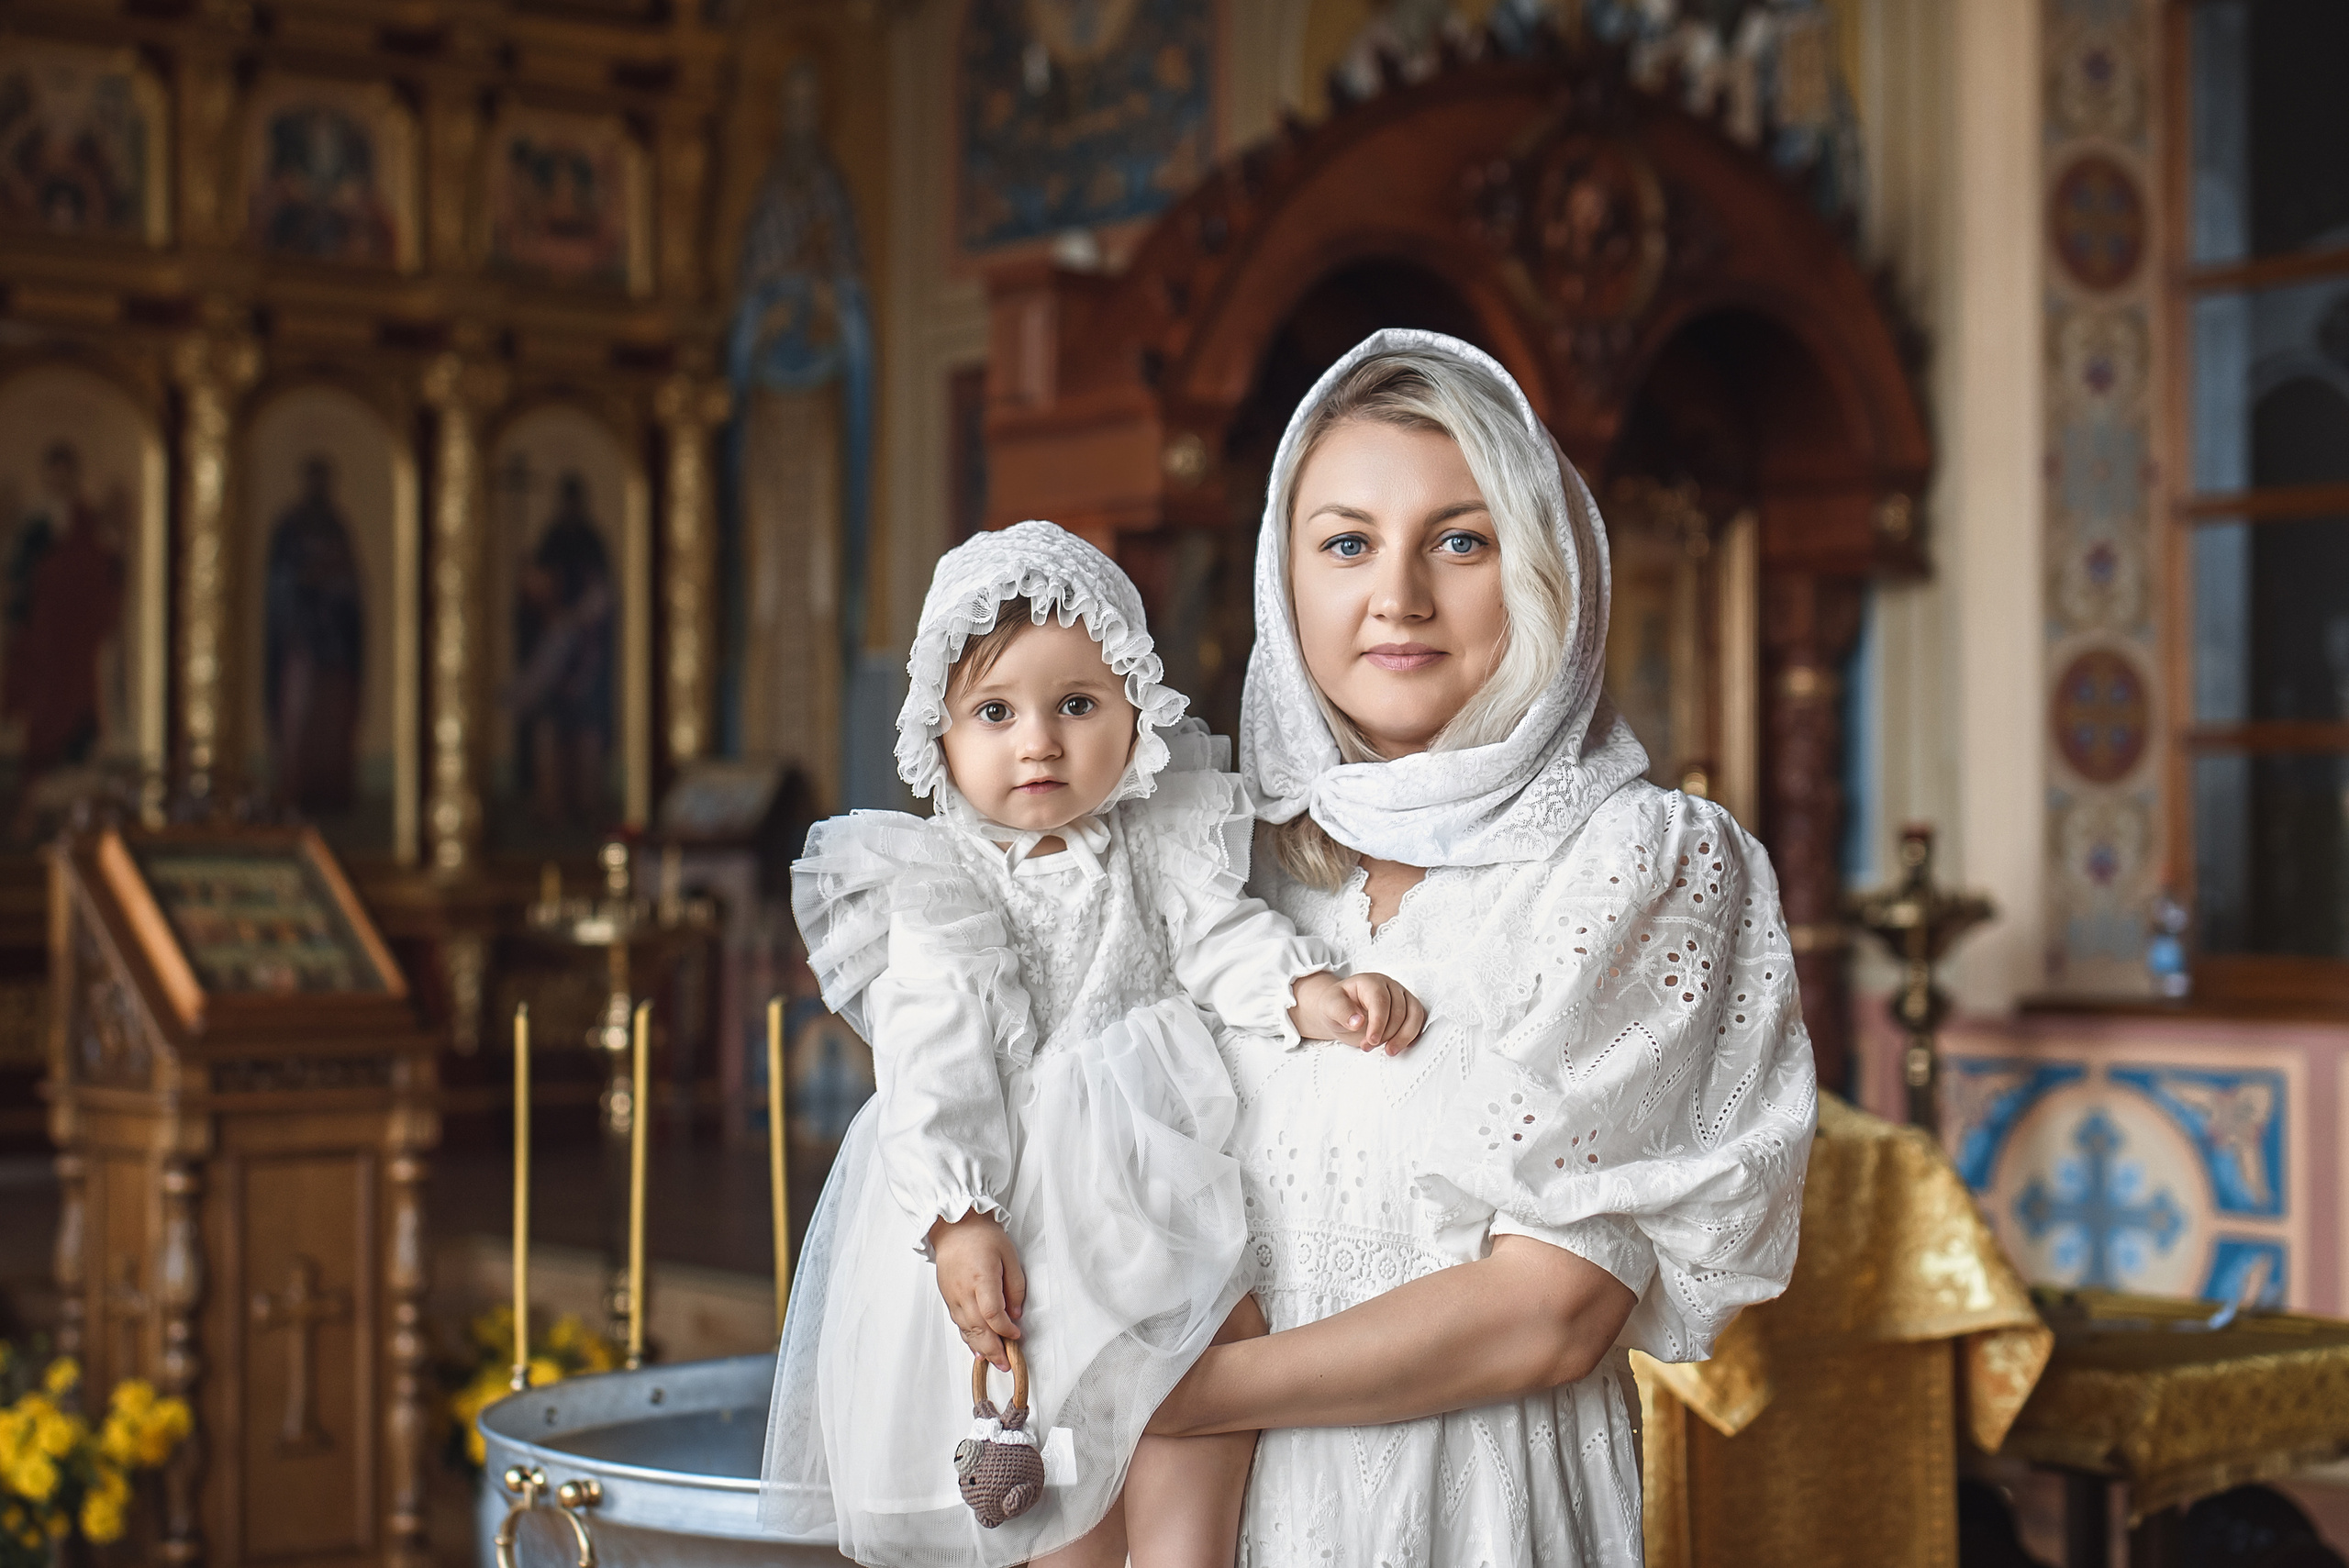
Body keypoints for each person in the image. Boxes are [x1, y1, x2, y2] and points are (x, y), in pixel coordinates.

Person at [1140, 329, 1819, 1563]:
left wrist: (1171, 1400)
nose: (1397, 595)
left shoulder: (1640, 864)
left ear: (1545, 570)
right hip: (1215, 1525)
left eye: (1461, 540)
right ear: (1282, 582)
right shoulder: (1216, 869)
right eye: (1346, 542)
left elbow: (1548, 1313)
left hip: (1481, 1511)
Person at [762, 521, 1429, 1568]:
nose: (1039, 741)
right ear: (936, 737)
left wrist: (1313, 991)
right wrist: (960, 1217)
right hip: (1026, 1220)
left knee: (1203, 1378)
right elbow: (935, 1063)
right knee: (1065, 1503)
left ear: (1133, 712)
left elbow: (1222, 941)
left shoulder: (1159, 836)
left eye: (1076, 704)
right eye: (994, 712)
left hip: (1161, 1188)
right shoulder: (942, 886)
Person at [263, 455, 364, 813]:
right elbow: (281, 583)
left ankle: (331, 796)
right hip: (301, 641)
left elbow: (351, 585)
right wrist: (309, 578)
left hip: (335, 644)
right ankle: (296, 795)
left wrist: (332, 582)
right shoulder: (290, 527)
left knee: (333, 720)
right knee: (299, 716)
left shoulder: (337, 527)